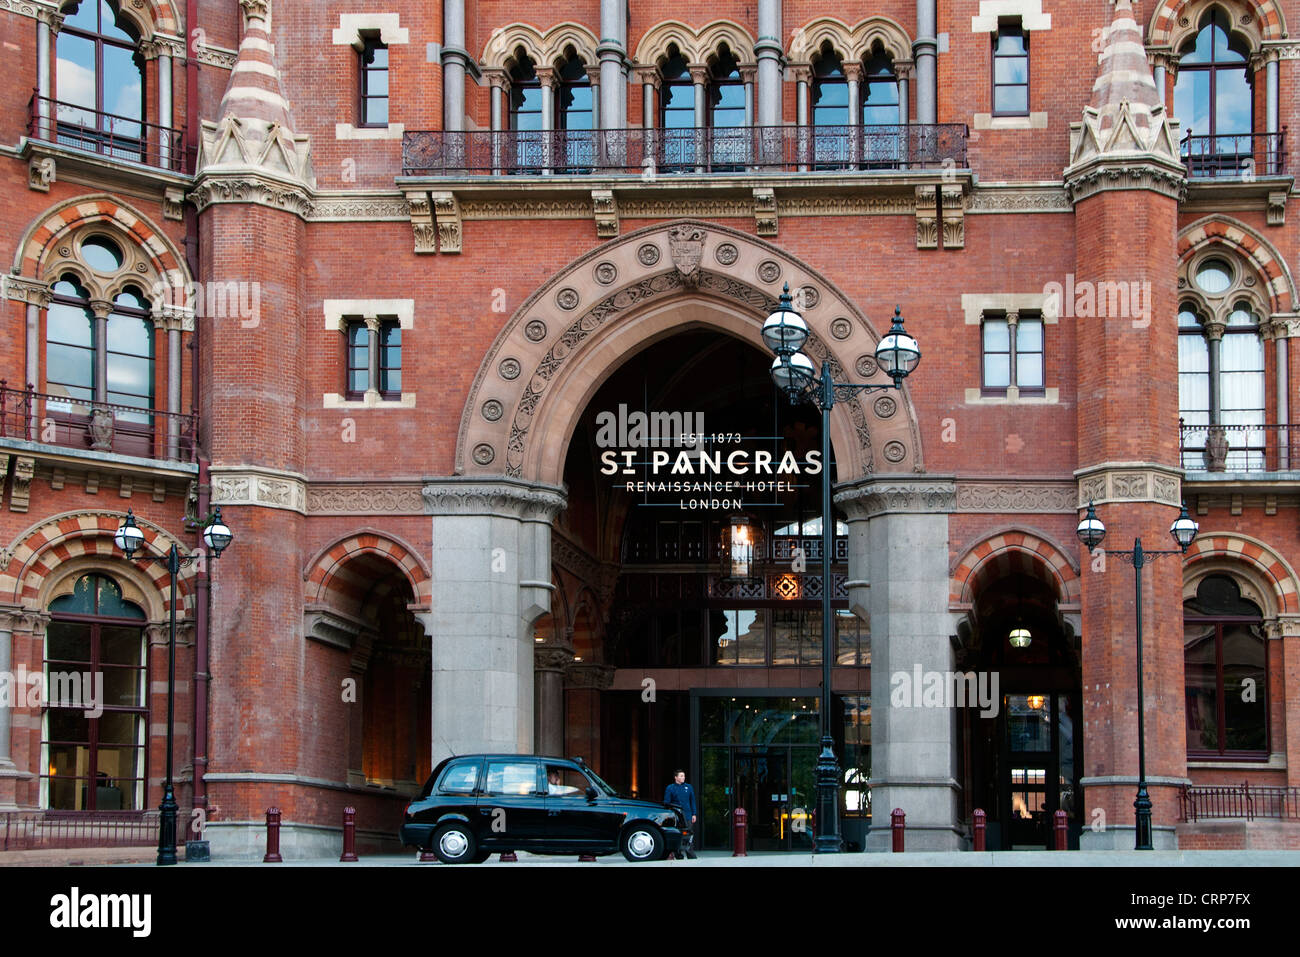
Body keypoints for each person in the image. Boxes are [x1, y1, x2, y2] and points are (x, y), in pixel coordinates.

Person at [663, 769, 698, 859]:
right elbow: (667, 802)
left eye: (684, 776)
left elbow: (692, 801)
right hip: (676, 816)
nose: (683, 777)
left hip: (688, 815)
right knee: (678, 835)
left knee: (689, 835)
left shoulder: (689, 787)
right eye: (681, 776)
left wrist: (694, 814)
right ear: (676, 777)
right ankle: (677, 854)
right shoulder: (670, 788)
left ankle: (691, 855)